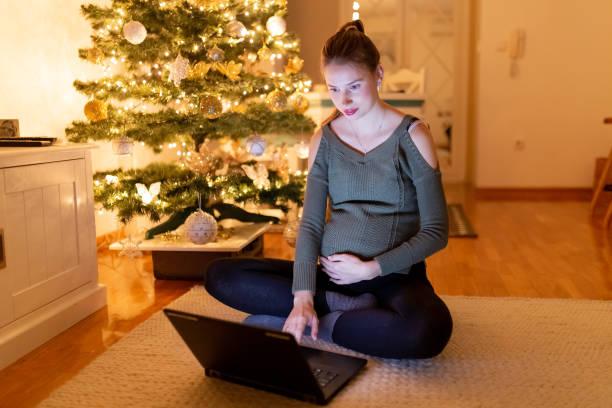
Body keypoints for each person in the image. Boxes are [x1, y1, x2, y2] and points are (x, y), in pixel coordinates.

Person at [205, 20, 452, 359]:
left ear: (378, 74)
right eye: (334, 89)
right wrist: (303, 296)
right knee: (221, 275)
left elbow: (437, 232)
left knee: (428, 331)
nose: (344, 100)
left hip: (393, 278)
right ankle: (334, 309)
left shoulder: (414, 137)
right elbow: (310, 224)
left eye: (354, 86)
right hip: (331, 278)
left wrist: (371, 268)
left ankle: (331, 323)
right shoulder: (324, 139)